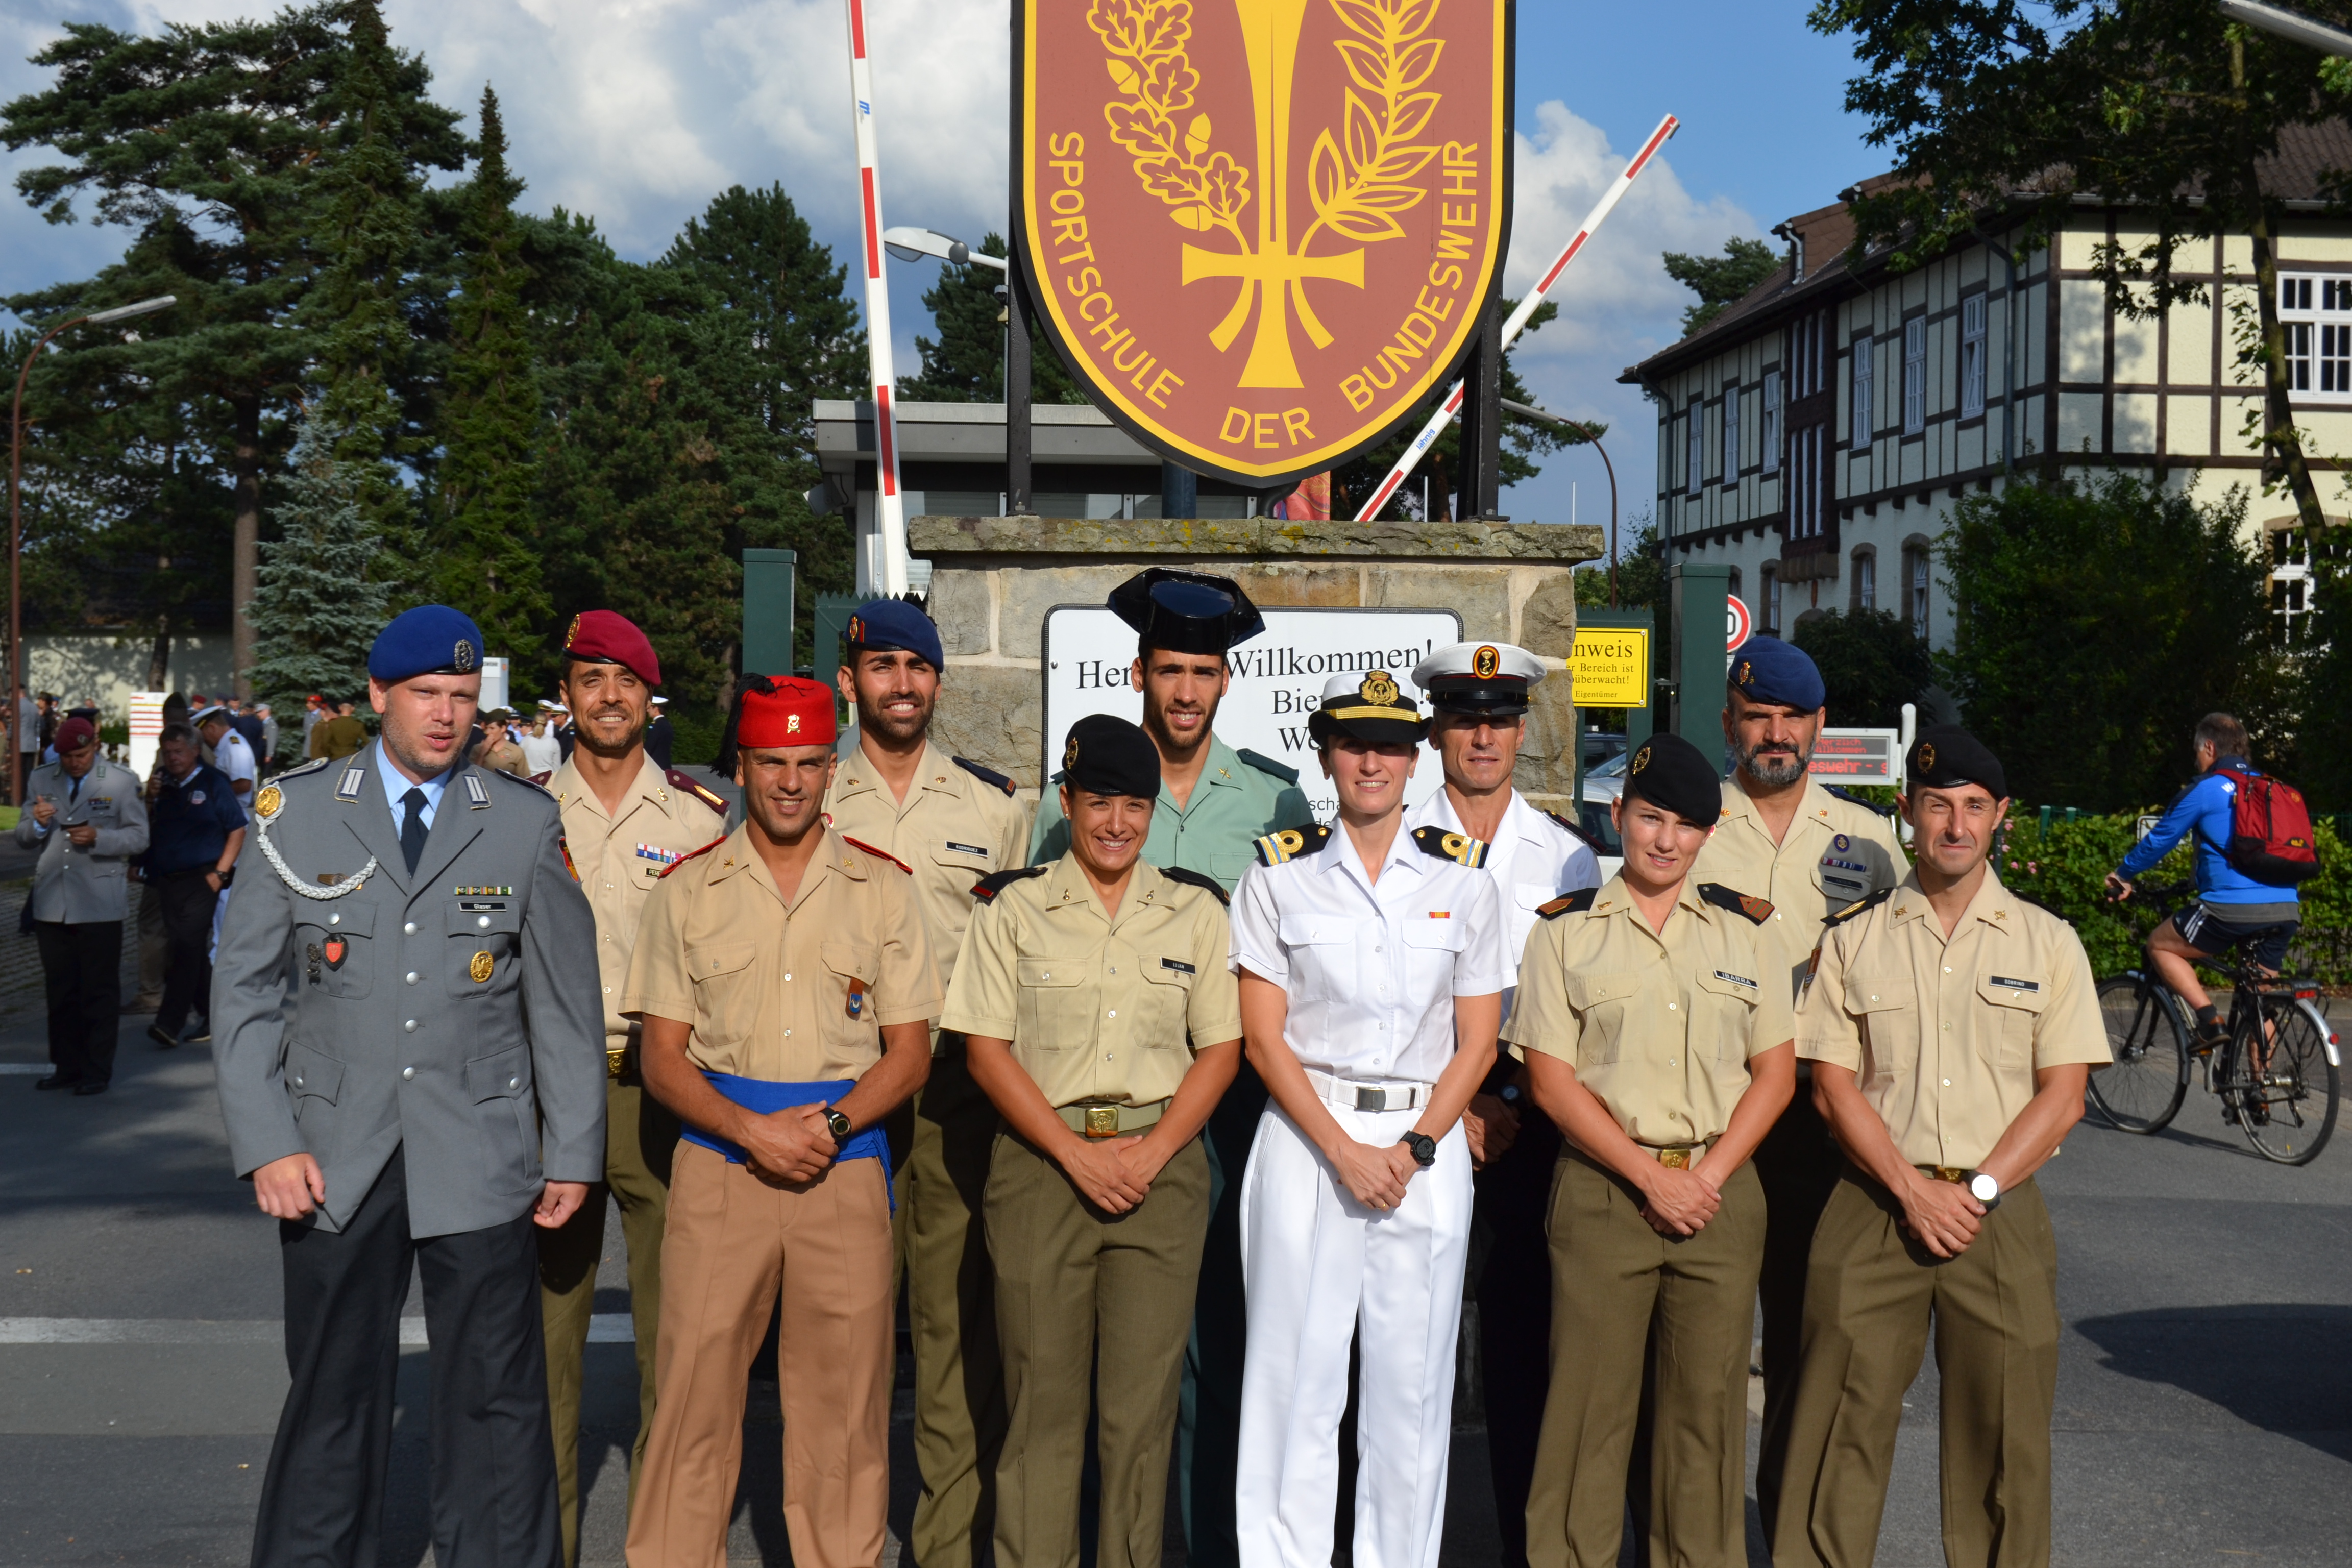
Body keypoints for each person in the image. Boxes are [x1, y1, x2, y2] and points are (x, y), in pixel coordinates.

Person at [211, 604, 607, 1568]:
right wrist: (266, 1140)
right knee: (333, 1391)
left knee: (492, 1398)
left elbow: (564, 1005)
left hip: (479, 1144)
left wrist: (572, 1154)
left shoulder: (519, 822)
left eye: (464, 699)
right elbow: (246, 993)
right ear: (380, 694)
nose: (445, 715)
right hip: (331, 1151)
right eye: (426, 693)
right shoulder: (293, 812)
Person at [1772, 726, 2111, 1568]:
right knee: (1834, 1429)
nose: (1953, 825)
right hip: (1871, 1205)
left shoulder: (2046, 942)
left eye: (1971, 808)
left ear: (1998, 816)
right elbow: (1831, 1083)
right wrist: (1910, 1188)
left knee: (2004, 1439)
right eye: (1935, 806)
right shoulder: (1854, 938)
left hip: (1997, 1212)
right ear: (1906, 815)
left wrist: (1980, 1189)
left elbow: (2062, 1096)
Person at [621, 674, 937, 1568]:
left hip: (845, 1165)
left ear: (831, 769)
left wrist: (827, 1128)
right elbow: (661, 1059)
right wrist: (752, 1131)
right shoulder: (687, 891)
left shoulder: (883, 889)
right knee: (691, 1404)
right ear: (742, 769)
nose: (790, 782)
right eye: (771, 764)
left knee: (843, 1411)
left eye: (807, 763)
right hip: (721, 1164)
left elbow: (908, 1053)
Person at [1030, 568, 1311, 1568]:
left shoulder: (1276, 799)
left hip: (1238, 1109)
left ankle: (1209, 1544)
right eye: (1170, 671)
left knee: (1225, 1341)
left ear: (1227, 682)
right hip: (1118, 1110)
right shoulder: (1088, 788)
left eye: (1204, 672)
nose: (1186, 691)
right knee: (1110, 1357)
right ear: (1138, 671)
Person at [943, 713, 1243, 1568]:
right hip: (1042, 1166)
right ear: (1067, 803)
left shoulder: (1192, 911)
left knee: (1139, 1411)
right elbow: (984, 1049)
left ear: (1153, 813)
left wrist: (1151, 1153)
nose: (1117, 822)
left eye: (1135, 806)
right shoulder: (1015, 908)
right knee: (1041, 1403)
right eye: (1099, 802)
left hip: (1161, 1166)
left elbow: (1221, 1048)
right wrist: (1074, 1153)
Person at [1228, 669, 1506, 1568]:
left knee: (1411, 1393)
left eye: (1389, 745)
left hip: (1423, 1146)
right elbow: (1264, 1040)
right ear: (1325, 754)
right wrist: (1345, 1150)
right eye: (1354, 744)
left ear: (1415, 756)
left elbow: (1477, 1040)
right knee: (1292, 1386)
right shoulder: (1280, 874)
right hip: (1309, 1140)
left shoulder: (1463, 882)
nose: (1371, 762)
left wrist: (1417, 1145)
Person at [1505, 732, 1795, 1568]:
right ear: (1618, 815)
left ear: (1709, 835)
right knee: (1587, 1414)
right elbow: (1553, 1083)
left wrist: (1702, 1176)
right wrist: (1646, 1176)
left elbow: (1773, 1075)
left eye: (1684, 824)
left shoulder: (1747, 932)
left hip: (1719, 1188)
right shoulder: (1564, 932)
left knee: (1702, 1417)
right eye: (1648, 817)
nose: (1664, 839)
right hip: (1603, 1190)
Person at [821, 597, 1030, 1568]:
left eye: (919, 666)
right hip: (835, 1090)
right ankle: (840, 1537)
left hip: (950, 1089)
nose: (901, 683)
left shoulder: (994, 806)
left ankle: (944, 1544)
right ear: (849, 678)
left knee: (947, 1324)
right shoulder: (810, 796)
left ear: (939, 682)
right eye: (883, 665)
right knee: (840, 1325)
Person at [1687, 635, 1908, 1536]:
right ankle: (1691, 1538)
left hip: (1822, 1124)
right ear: (1727, 722)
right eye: (1756, 715)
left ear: (1817, 725)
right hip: (1713, 1116)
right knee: (1697, 1350)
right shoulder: (1688, 822)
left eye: (1791, 717)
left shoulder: (1868, 838)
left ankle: (1785, 1534)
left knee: (1809, 1345)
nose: (1774, 733)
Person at [1398, 640, 1600, 1567]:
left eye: (1499, 718)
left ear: (1522, 730)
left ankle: (1526, 1544)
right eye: (1464, 717)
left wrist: (1501, 1097)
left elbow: (1582, 1004)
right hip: (1413, 1124)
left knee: (1526, 1353)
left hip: (1529, 1126)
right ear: (1436, 727)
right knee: (1401, 1353)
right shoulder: (1383, 832)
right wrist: (1459, 1102)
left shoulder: (1566, 859)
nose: (1482, 736)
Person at [533, 610, 728, 1568]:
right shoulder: (519, 810)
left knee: (677, 1342)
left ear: (652, 699)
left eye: (625, 681)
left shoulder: (700, 817)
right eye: (589, 679)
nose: (608, 697)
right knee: (545, 1343)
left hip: (663, 1090)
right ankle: (550, 1545)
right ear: (565, 697)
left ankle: (666, 1547)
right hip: (550, 1097)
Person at [2106, 712, 2303, 1055]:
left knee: (2160, 946)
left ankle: (2210, 1021)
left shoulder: (2206, 789)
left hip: (2231, 908)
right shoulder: (2275, 789)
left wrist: (2123, 875)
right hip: (2286, 908)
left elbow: (2160, 841)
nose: (2197, 760)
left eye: (2197, 752)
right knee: (2260, 998)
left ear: (2210, 747)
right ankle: (2260, 1101)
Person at [15, 715, 150, 1094]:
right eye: (68, 756)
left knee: (98, 990)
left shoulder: (121, 781)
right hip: (52, 901)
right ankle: (66, 1065)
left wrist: (101, 838)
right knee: (60, 990)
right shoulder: (43, 778)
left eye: (82, 754)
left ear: (95, 745)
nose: (75, 762)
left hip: (99, 901)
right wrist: (38, 825)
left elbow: (140, 837)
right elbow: (25, 836)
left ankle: (96, 1070)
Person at [138, 721, 246, 1051]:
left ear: (195, 751)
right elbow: (150, 828)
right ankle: (213, 1014)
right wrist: (150, 798)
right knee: (192, 950)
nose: (173, 759)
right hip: (168, 880)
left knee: (186, 947)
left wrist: (221, 873)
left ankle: (168, 1023)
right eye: (167, 753)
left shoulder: (214, 783)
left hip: (204, 878)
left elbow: (238, 829)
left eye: (179, 752)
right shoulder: (165, 786)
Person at [193, 704, 257, 817]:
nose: (204, 741)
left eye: (203, 735)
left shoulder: (235, 746)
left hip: (233, 813)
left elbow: (244, 784)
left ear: (212, 728)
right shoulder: (225, 746)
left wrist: (210, 793)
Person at [309, 697, 369, 762]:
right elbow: (366, 742)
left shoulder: (332, 724)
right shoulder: (358, 725)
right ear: (353, 709)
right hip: (352, 756)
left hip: (335, 757)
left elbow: (325, 742)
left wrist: (328, 754)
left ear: (340, 708)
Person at [519, 703, 564, 777]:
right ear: (546, 724)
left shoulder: (525, 741)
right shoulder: (554, 742)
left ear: (533, 723)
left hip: (528, 779)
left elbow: (521, 764)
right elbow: (557, 767)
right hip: (547, 780)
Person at [645, 693, 675, 769]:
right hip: (665, 764)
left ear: (656, 709)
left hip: (655, 765)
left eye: (650, 708)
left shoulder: (656, 726)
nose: (648, 710)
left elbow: (650, 746)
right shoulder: (667, 724)